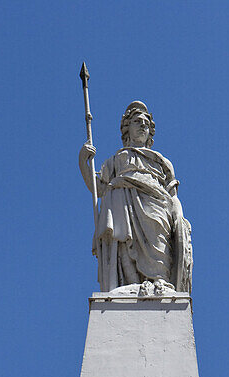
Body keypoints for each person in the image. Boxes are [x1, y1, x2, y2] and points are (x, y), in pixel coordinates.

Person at [79, 101, 192, 294]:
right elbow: (98, 189)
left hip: (157, 204)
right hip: (123, 204)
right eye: (137, 121)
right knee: (124, 241)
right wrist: (83, 161)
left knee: (158, 240)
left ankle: (161, 282)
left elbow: (173, 195)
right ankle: (129, 284)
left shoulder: (162, 162)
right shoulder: (115, 161)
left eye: (146, 124)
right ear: (127, 128)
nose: (142, 126)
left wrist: (178, 218)